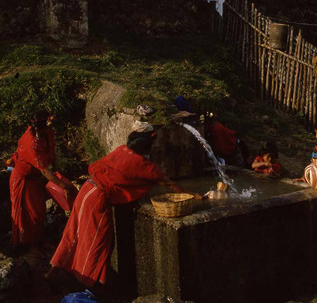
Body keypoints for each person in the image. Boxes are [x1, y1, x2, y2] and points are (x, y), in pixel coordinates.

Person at [45, 122, 200, 289]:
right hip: (97, 198)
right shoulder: (145, 165)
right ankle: (91, 285)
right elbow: (169, 185)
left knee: (73, 232)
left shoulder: (121, 150)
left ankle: (51, 273)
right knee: (99, 241)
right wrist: (193, 195)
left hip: (86, 190)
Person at [9, 110, 77, 256]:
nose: (52, 126)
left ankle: (38, 241)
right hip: (24, 180)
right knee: (28, 214)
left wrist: (58, 173)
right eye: (50, 123)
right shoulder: (32, 143)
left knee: (39, 211)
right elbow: (45, 172)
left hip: (34, 178)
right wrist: (65, 186)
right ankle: (27, 246)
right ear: (41, 127)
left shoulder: (47, 133)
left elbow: (51, 153)